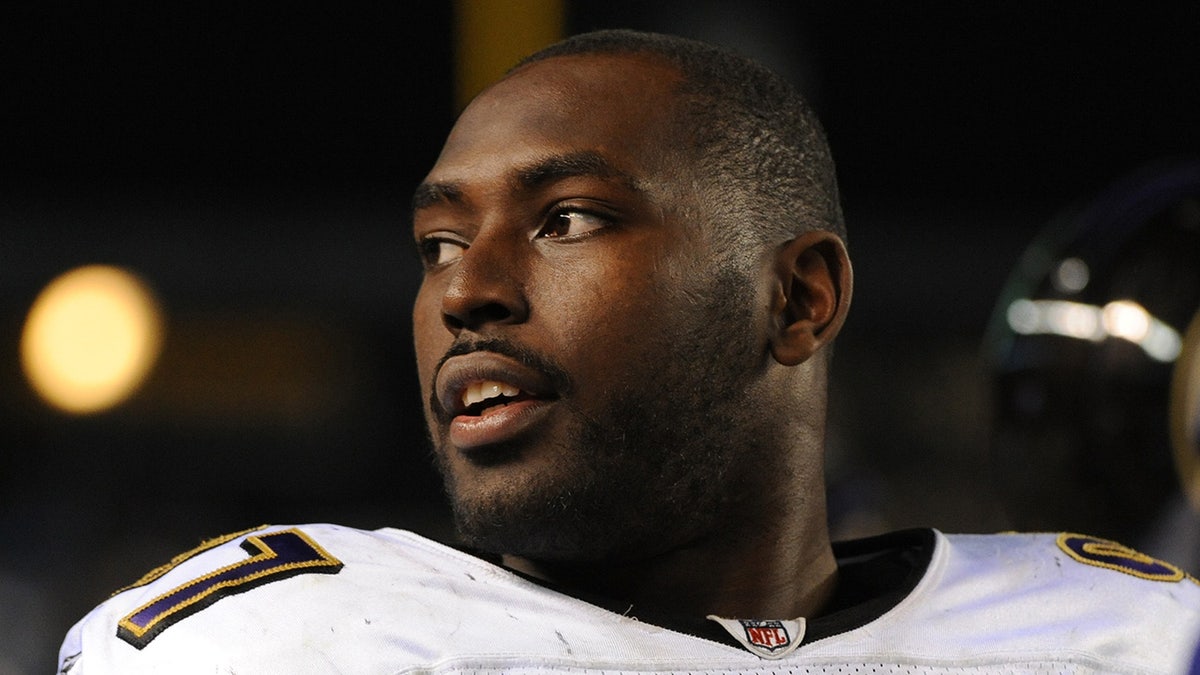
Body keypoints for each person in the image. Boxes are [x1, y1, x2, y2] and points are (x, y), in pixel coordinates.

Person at [57, 29, 1200, 674]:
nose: (467, 290)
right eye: (437, 242)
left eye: (568, 221)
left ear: (798, 298)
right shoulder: (285, 644)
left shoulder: (1125, 635)